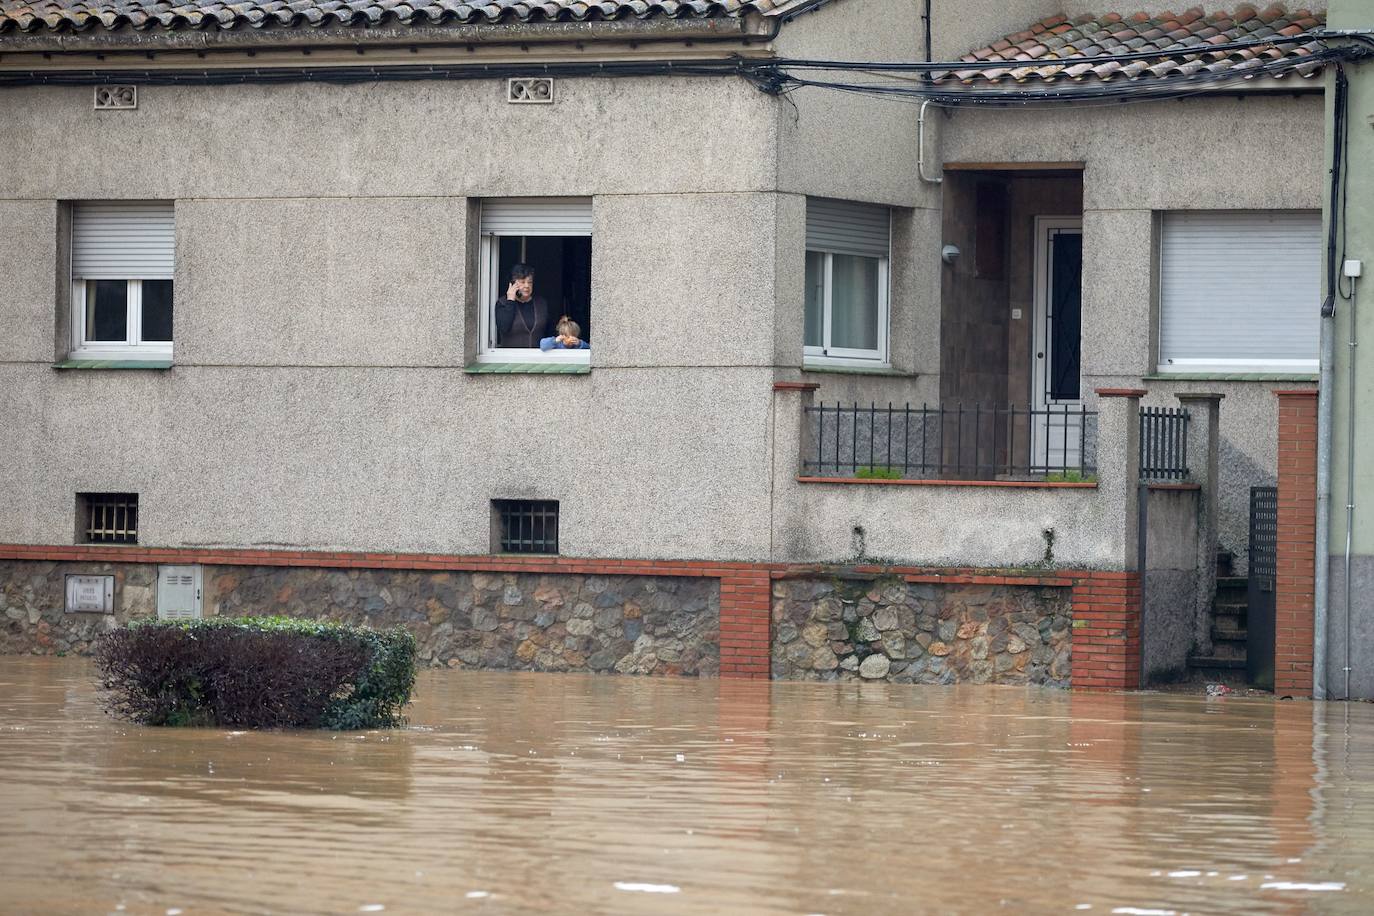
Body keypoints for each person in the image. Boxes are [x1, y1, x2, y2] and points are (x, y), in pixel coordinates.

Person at [494, 263, 550, 348]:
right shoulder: (503, 303)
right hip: (511, 355)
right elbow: (504, 328)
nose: (527, 286)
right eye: (522, 282)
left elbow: (548, 331)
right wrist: (510, 301)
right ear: (512, 284)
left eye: (530, 282)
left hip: (537, 354)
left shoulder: (541, 303)